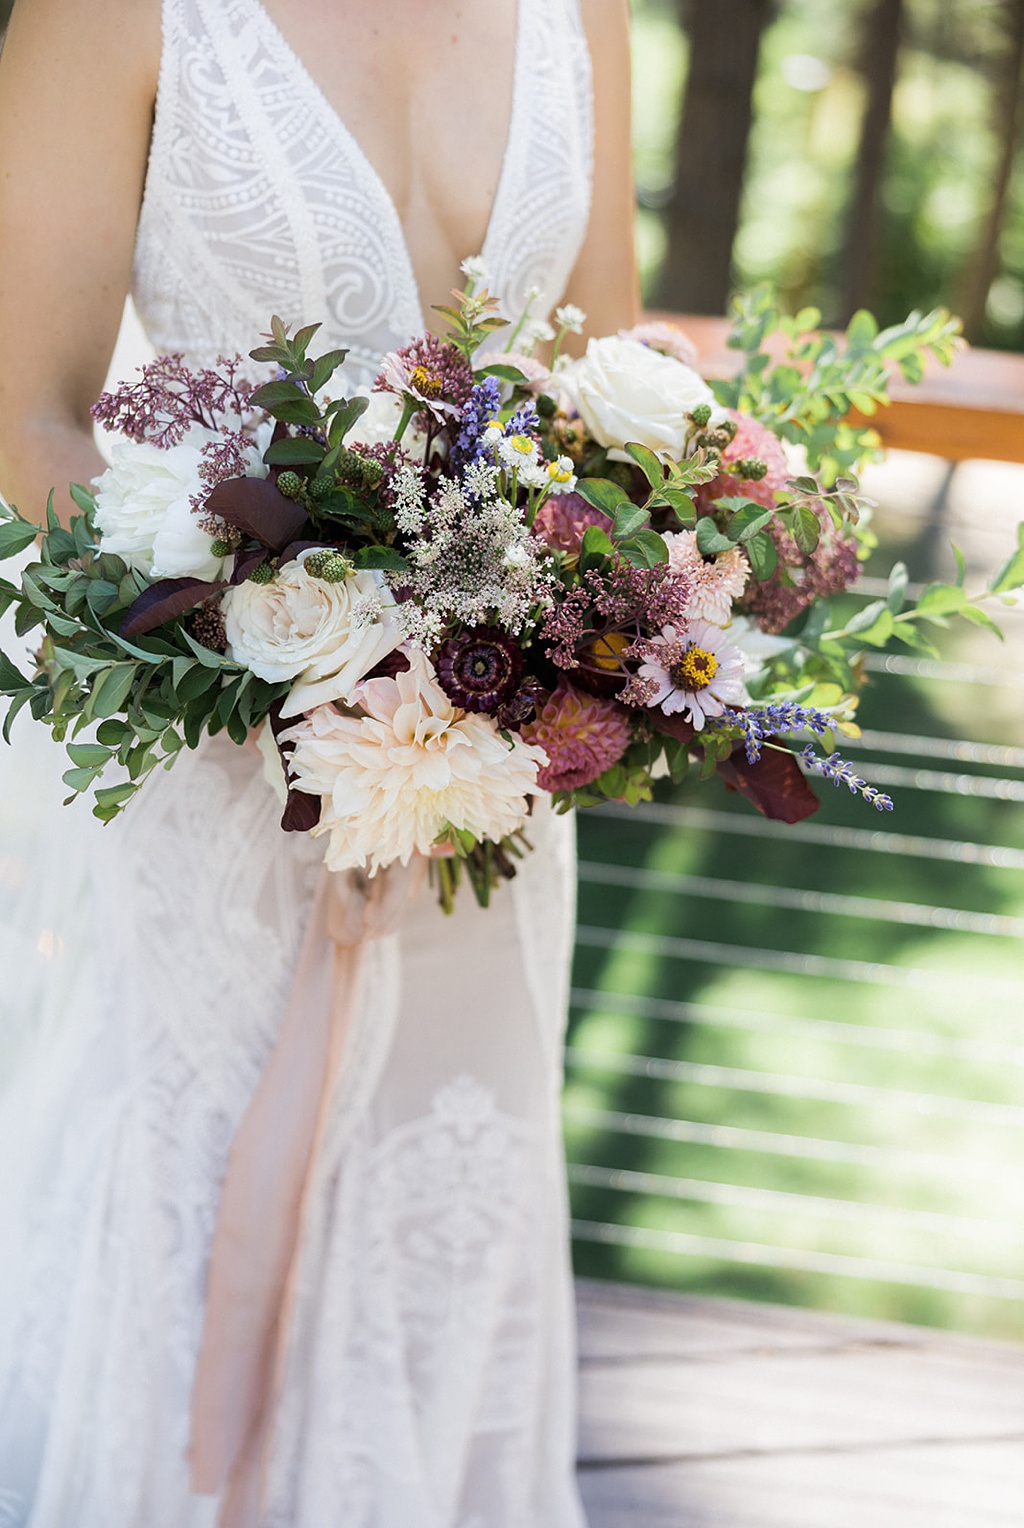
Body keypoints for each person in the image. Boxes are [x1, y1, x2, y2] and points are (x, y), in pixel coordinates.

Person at [0, 0, 638, 1522]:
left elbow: (608, 382)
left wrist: (550, 648)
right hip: (220, 760)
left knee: (445, 1209)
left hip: (483, 780)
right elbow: (25, 406)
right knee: (184, 1196)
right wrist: (270, 660)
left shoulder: (586, 11)